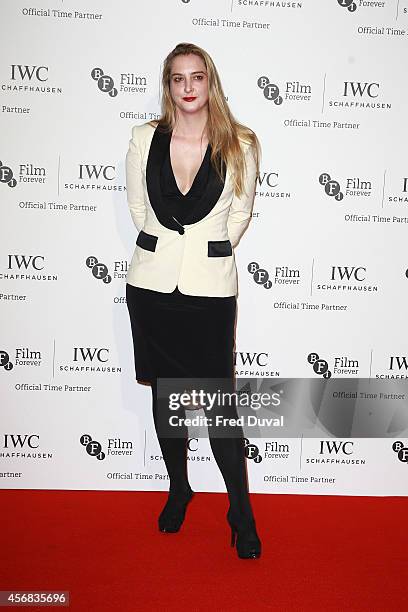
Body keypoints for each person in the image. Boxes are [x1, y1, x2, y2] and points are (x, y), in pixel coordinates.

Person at [125, 42, 262, 559]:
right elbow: (139, 208)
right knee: (166, 398)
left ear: (210, 83)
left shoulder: (241, 143)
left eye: (197, 77)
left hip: (208, 291)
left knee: (218, 407)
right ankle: (179, 488)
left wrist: (204, 250)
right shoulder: (144, 138)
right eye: (178, 78)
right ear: (168, 85)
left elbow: (239, 214)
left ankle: (240, 510)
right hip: (152, 288)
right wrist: (167, 249)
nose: (188, 87)